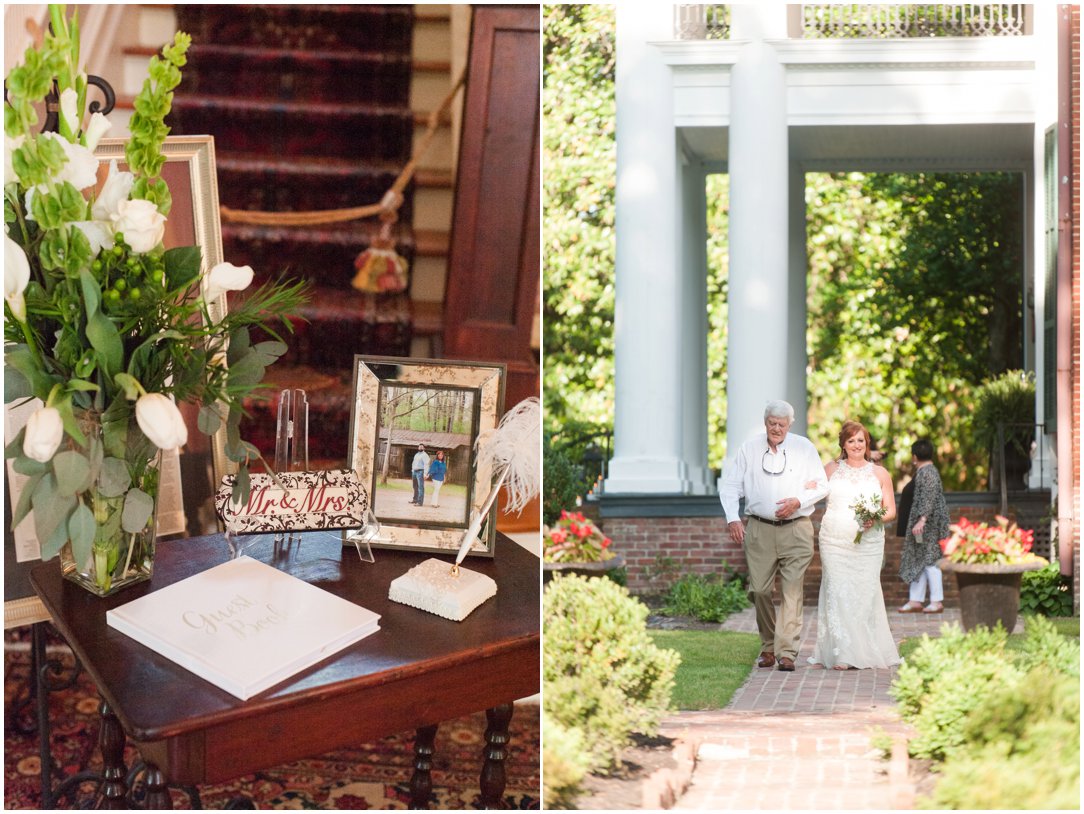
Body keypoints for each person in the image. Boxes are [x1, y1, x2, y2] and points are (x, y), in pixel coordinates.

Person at [720, 400, 829, 672]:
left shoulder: (804, 448)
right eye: (772, 423)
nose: (776, 428)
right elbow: (731, 486)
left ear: (790, 424)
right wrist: (733, 517)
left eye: (781, 423)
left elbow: (822, 485)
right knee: (759, 590)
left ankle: (786, 652)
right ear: (765, 422)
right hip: (759, 528)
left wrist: (799, 500)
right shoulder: (749, 448)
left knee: (792, 591)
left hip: (796, 527)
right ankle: (768, 646)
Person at [808, 420, 900, 670]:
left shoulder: (880, 473)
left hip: (868, 544)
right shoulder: (830, 469)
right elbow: (810, 493)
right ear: (843, 445)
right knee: (837, 590)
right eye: (851, 441)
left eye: (861, 440)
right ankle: (843, 652)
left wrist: (875, 517)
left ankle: (864, 648)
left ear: (867, 443)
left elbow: (890, 511)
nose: (857, 445)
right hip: (834, 541)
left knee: (863, 592)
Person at [897, 439, 950, 614]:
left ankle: (936, 601)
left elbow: (928, 497)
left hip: (928, 527)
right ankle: (915, 600)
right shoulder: (926, 471)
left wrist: (922, 520)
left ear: (914, 456)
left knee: (930, 561)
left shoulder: (927, 473)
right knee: (920, 560)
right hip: (925, 525)